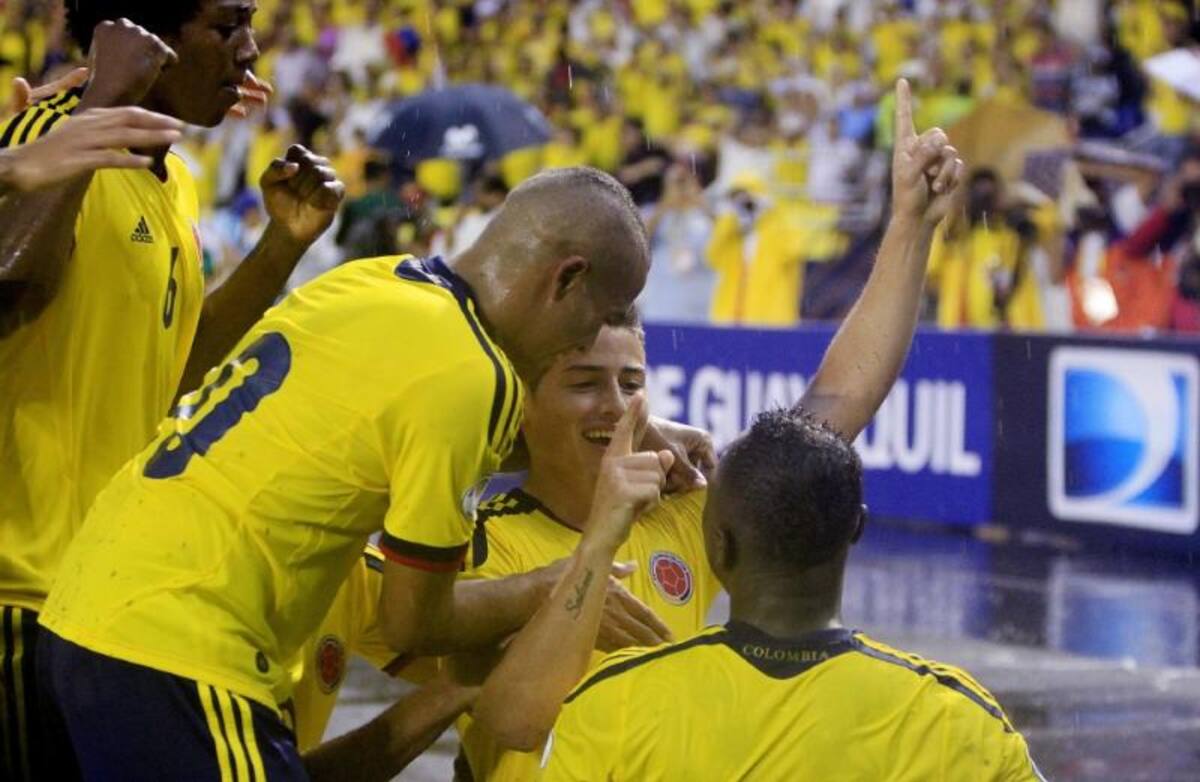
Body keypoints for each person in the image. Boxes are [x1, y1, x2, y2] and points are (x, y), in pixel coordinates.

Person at [36, 166, 700, 779]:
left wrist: (626, 431)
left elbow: (421, 436)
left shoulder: (375, 281)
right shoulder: (474, 374)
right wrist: (549, 587)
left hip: (82, 611)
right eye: (599, 316)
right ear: (566, 279)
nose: (585, 337)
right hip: (183, 647)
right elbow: (415, 624)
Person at [455, 78, 966, 780]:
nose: (614, 405)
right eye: (583, 384)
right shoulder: (482, 541)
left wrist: (910, 226)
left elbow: (834, 405)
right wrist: (596, 548)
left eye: (632, 384)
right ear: (526, 401)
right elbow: (508, 719)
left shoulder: (682, 512)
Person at [0, 4, 342, 779]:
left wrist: (281, 244)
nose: (250, 50)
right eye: (225, 28)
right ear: (145, 36)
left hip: (98, 600)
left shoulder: (170, 179)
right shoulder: (42, 140)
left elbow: (177, 366)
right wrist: (96, 109)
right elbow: (8, 284)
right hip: (17, 596)